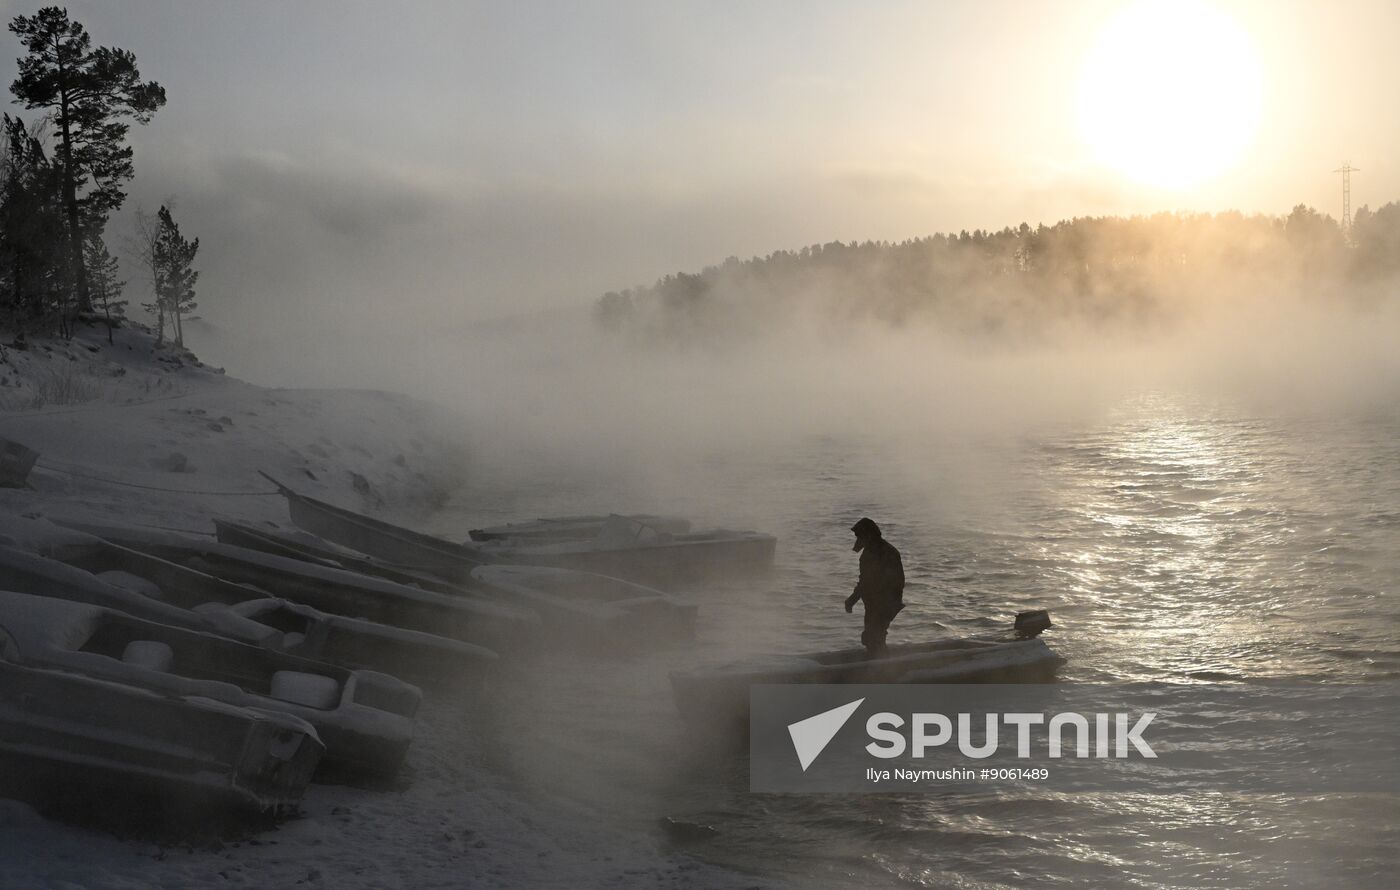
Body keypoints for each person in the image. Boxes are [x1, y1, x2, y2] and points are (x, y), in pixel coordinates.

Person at [844, 517, 904, 657]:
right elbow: (866, 581)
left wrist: (852, 600)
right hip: (874, 603)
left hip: (884, 603)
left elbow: (868, 581)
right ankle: (879, 664)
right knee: (873, 638)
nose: (857, 539)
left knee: (873, 638)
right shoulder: (871, 552)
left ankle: (883, 668)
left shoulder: (882, 552)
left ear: (869, 535)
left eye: (859, 535)